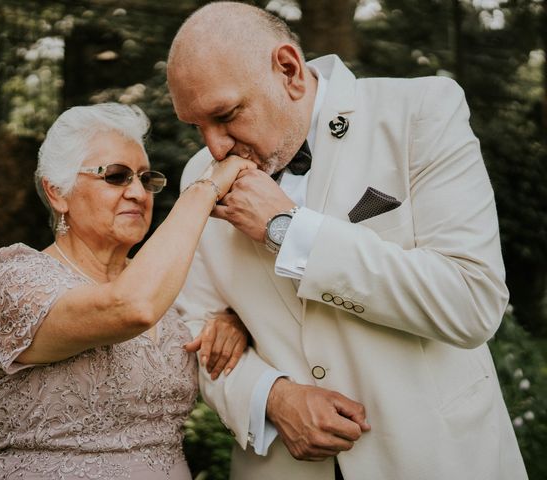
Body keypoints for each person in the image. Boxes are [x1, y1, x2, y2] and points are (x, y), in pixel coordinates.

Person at [167, 2, 528, 479]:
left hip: (433, 458)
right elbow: (195, 327)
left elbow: (470, 299)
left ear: (289, 70)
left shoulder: (419, 114)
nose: (214, 147)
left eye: (227, 115)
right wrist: (271, 396)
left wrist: (287, 230)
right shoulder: (200, 176)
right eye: (196, 126)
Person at [0, 103, 255, 479]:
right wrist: (204, 189)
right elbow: (129, 308)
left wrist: (232, 322)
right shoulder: (12, 279)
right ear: (58, 192)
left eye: (145, 178)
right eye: (117, 176)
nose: (139, 193)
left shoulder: (165, 285)